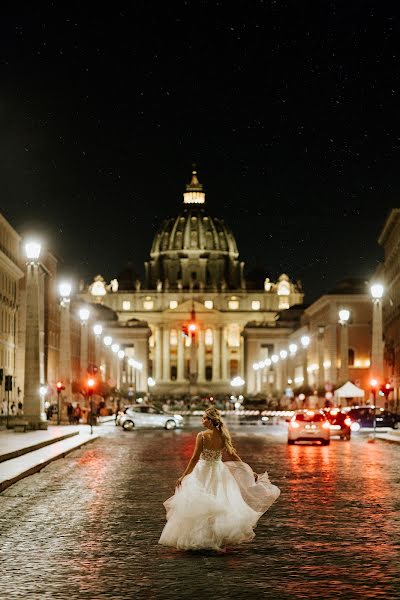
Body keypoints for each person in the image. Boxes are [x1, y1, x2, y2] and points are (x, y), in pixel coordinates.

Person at [158, 407, 280, 552]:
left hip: (202, 472)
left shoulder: (202, 436)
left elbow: (194, 458)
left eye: (204, 418)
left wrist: (184, 475)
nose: (202, 421)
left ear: (210, 421)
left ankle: (200, 538)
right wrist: (248, 470)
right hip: (219, 472)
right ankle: (216, 538)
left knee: (200, 506)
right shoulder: (222, 435)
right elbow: (233, 455)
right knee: (221, 504)